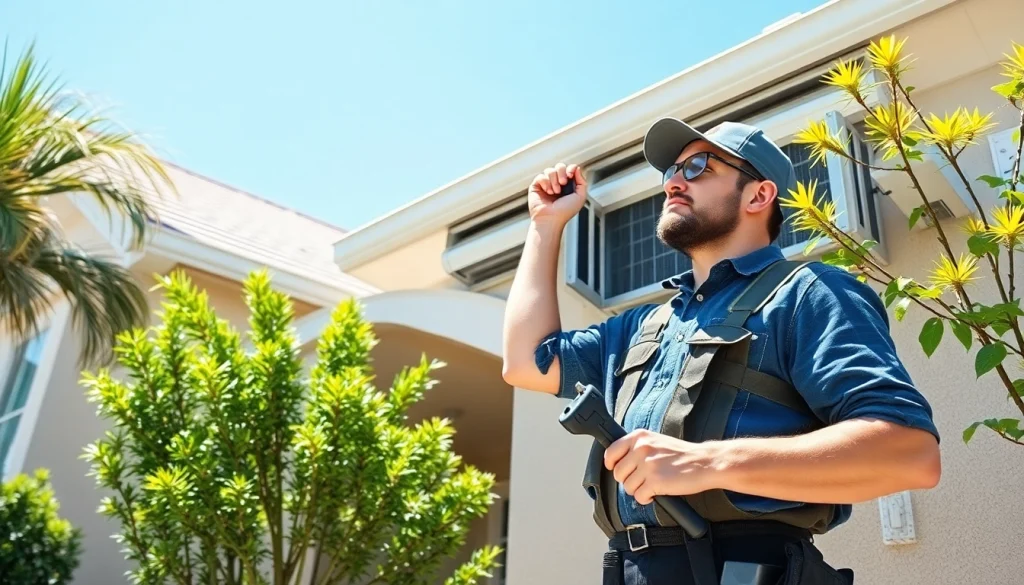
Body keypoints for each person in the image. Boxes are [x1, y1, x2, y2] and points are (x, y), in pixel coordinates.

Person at [501, 117, 942, 585]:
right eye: (671, 171)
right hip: (629, 570)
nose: (673, 181)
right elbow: (525, 362)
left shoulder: (809, 293)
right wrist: (545, 226)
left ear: (758, 195)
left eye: (697, 166)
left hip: (742, 568)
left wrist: (706, 464)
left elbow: (910, 453)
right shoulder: (643, 326)